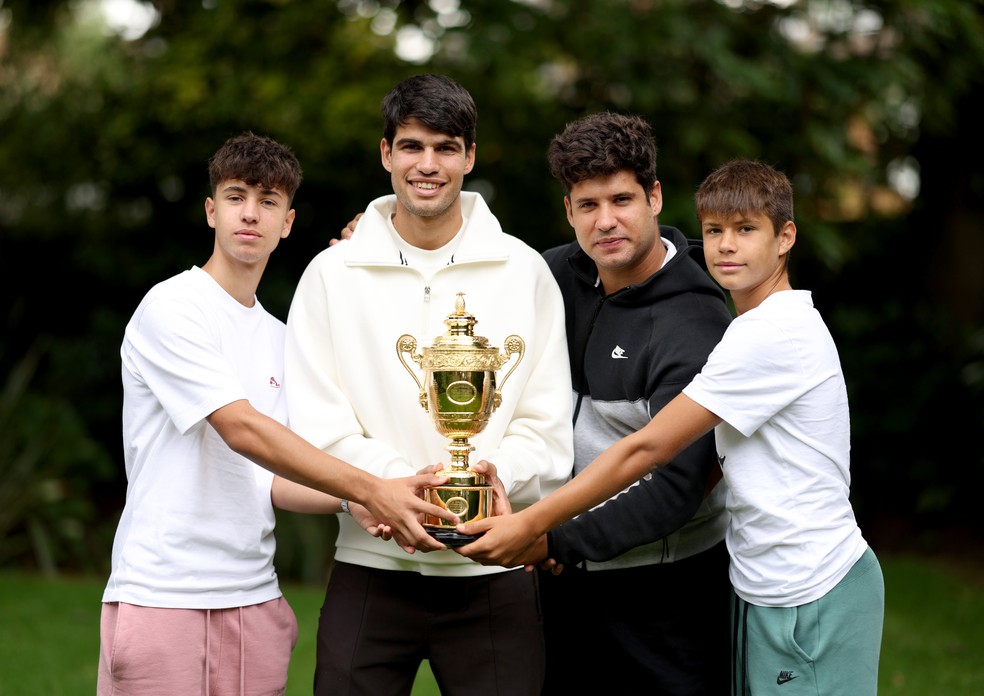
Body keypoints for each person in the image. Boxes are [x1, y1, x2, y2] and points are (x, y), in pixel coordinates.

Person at [336, 112, 734, 694]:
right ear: (568, 210)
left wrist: (550, 537)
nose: (606, 222)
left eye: (622, 200)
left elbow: (677, 483)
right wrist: (372, 242)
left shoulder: (696, 321)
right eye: (587, 205)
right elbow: (451, 279)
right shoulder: (550, 276)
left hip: (664, 596)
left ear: (654, 197)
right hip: (557, 584)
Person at [458, 159, 886, 695]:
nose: (727, 246)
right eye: (714, 231)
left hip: (811, 586)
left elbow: (650, 449)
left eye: (747, 230)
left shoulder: (771, 334)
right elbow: (713, 464)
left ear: (786, 238)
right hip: (763, 584)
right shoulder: (750, 327)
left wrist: (538, 530)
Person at [98, 132, 455, 696]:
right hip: (164, 597)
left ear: (287, 223)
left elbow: (276, 479)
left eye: (268, 202)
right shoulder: (171, 307)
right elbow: (241, 429)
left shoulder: (280, 338)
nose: (250, 214)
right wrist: (369, 486)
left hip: (256, 602)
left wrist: (355, 500)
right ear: (211, 211)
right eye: (236, 196)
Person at [283, 74, 574, 696]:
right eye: (412, 146)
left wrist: (500, 473)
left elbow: (547, 425)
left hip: (494, 568)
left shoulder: (524, 271)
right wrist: (392, 487)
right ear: (386, 153)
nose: (428, 164)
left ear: (470, 156)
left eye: (446, 147)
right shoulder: (331, 274)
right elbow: (315, 422)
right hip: (371, 565)